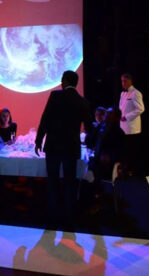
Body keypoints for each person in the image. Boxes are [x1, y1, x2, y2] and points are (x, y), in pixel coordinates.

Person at [35, 70, 91, 224]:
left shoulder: (55, 96)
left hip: (53, 146)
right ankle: (68, 216)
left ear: (65, 81)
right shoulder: (83, 102)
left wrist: (38, 140)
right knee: (69, 181)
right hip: (71, 147)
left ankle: (52, 215)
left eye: (61, 79)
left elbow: (45, 119)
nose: (60, 82)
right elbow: (88, 127)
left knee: (52, 181)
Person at [119, 73, 145, 175]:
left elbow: (140, 109)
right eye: (122, 81)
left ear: (130, 81)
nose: (123, 83)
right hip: (123, 127)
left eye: (125, 81)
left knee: (131, 150)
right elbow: (121, 108)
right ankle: (125, 168)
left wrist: (126, 116)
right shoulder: (123, 93)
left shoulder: (136, 93)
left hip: (132, 128)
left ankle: (131, 170)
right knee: (125, 149)